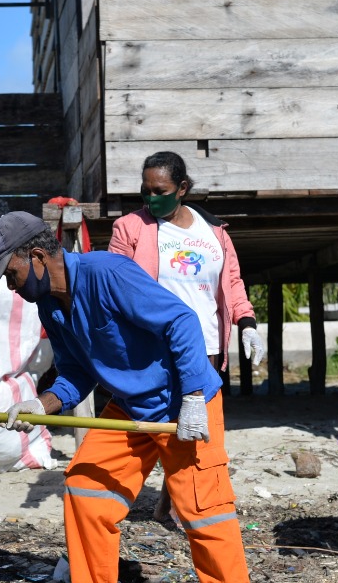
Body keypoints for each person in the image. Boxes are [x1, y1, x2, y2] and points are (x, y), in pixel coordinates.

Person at [0, 211, 274, 583]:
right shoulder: (49, 305)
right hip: (132, 409)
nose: (9, 285)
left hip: (183, 401)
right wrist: (43, 405)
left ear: (37, 256)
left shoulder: (108, 274)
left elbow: (181, 321)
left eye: (12, 273)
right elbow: (76, 375)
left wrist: (195, 395)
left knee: (203, 512)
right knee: (84, 487)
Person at [109, 151, 264, 521]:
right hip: (156, 348)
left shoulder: (214, 232)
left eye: (159, 190)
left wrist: (247, 323)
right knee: (163, 425)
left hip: (206, 347)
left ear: (182, 189)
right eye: (144, 191)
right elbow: (115, 282)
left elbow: (232, 282)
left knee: (196, 432)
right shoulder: (130, 228)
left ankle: (171, 507)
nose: (150, 198)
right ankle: (175, 505)